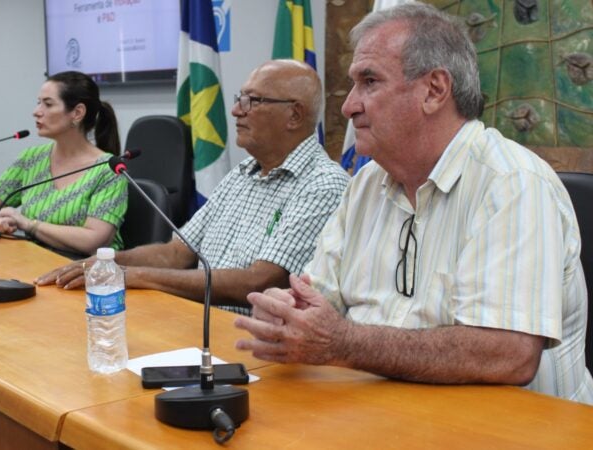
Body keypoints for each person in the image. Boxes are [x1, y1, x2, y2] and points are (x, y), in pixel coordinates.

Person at [234, 2, 593, 404]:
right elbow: (320, 297)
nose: (348, 105)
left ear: (434, 90)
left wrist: (344, 342)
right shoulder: (366, 184)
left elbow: (507, 354)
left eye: (369, 81)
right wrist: (290, 311)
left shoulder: (512, 183)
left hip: (519, 432)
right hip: (391, 414)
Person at [35, 59, 349, 315]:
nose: (236, 111)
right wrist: (108, 262)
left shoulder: (322, 185)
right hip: (191, 320)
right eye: (240, 99)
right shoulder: (242, 173)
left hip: (249, 343)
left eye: (252, 101)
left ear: (294, 114)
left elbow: (259, 282)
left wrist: (134, 276)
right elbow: (177, 252)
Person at [0, 71, 127, 255]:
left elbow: (93, 240)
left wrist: (29, 224)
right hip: (35, 261)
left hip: (86, 272)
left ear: (77, 113)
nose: (36, 112)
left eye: (48, 104)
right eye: (39, 103)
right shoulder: (31, 159)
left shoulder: (109, 170)